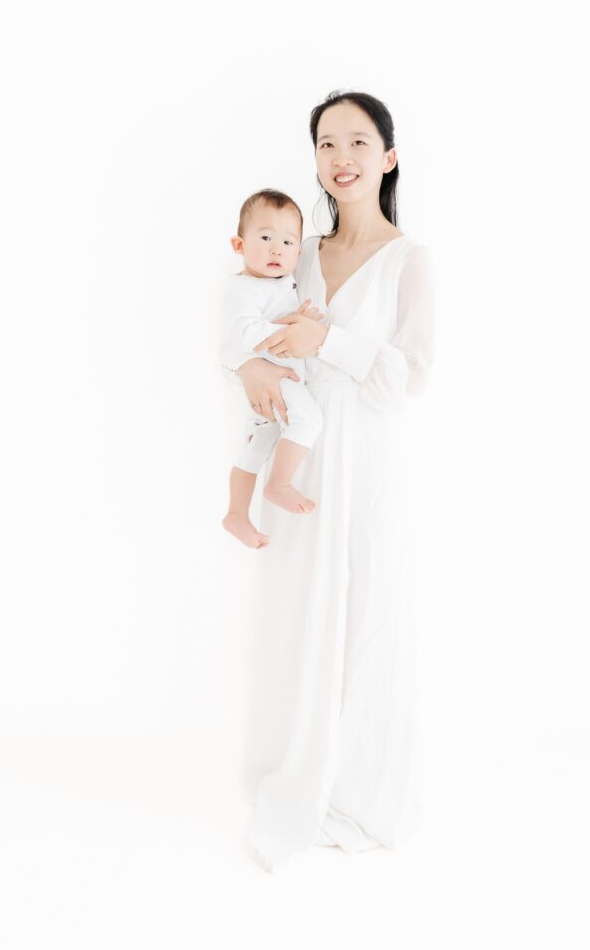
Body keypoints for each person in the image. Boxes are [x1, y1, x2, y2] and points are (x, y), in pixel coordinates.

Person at [220, 90, 436, 872]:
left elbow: (410, 377)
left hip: (370, 462)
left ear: (387, 156)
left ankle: (361, 790)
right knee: (297, 612)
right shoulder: (294, 248)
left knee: (371, 612)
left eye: (356, 141)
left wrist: (331, 339)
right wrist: (249, 364)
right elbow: (249, 323)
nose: (339, 158)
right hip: (300, 460)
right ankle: (292, 774)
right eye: (324, 143)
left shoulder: (409, 259)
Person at [221, 188, 329, 548]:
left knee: (256, 443)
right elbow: (242, 332)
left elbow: (273, 321)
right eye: (265, 238)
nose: (276, 249)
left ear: (298, 252)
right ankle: (279, 484)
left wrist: (295, 319)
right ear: (239, 244)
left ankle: (236, 513)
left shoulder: (281, 282)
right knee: (309, 420)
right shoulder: (246, 287)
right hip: (274, 376)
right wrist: (292, 328)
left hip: (274, 377)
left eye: (287, 241)